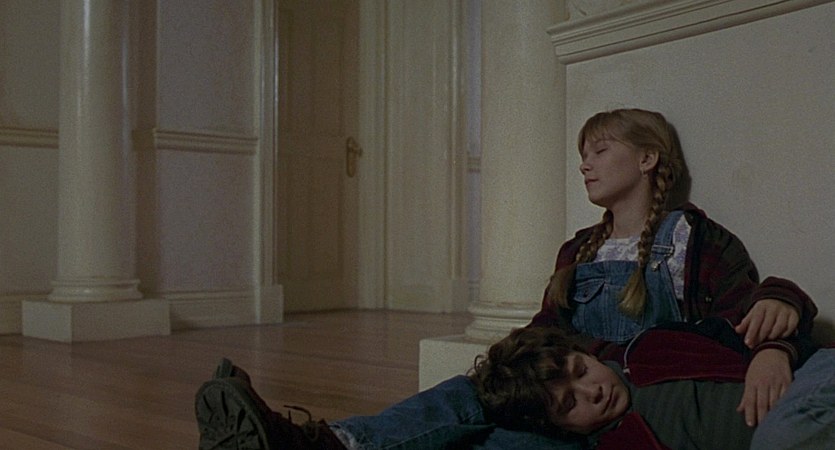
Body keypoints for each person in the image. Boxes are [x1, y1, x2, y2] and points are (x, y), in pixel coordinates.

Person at [194, 108, 819, 449]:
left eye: (600, 150)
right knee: (475, 392)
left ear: (648, 158)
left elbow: (752, 309)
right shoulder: (579, 249)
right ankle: (328, 445)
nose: (585, 164)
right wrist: (510, 369)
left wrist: (776, 333)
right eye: (582, 154)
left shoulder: (693, 238)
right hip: (564, 392)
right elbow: (545, 334)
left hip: (633, 400)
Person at [469, 322, 833, 450]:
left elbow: (774, 330)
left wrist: (773, 352)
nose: (592, 391)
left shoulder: (653, 344)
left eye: (582, 371)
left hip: (812, 378)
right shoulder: (618, 445)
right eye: (569, 404)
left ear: (587, 354)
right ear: (558, 428)